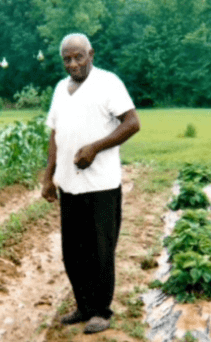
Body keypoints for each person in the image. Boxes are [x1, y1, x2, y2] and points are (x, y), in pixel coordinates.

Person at [42, 33, 141, 334]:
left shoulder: (108, 83)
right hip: (69, 185)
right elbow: (55, 135)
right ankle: (83, 305)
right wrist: (48, 176)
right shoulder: (61, 89)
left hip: (101, 186)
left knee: (100, 250)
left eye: (78, 57)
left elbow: (132, 123)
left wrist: (95, 148)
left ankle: (101, 310)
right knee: (73, 251)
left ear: (91, 54)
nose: (72, 64)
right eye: (67, 59)